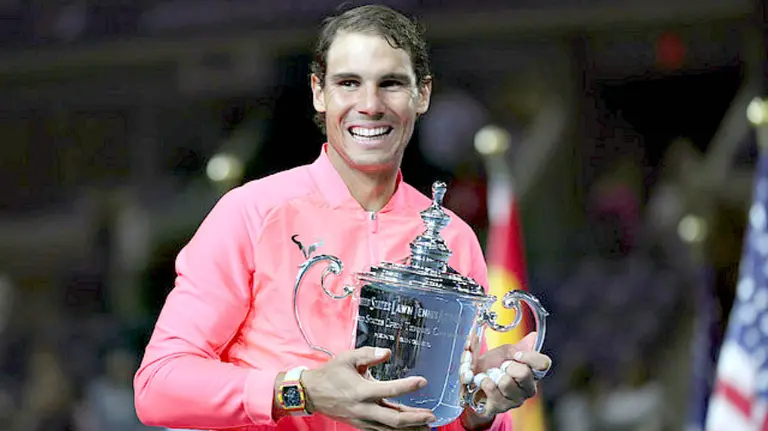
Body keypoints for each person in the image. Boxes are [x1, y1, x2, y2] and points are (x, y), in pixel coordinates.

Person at [133, 4, 552, 431]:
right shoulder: (252, 212)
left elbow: (444, 411)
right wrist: (302, 389)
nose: (369, 105)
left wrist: (482, 407)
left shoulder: (453, 237)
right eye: (348, 83)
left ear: (422, 94)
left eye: (390, 83)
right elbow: (159, 385)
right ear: (319, 92)